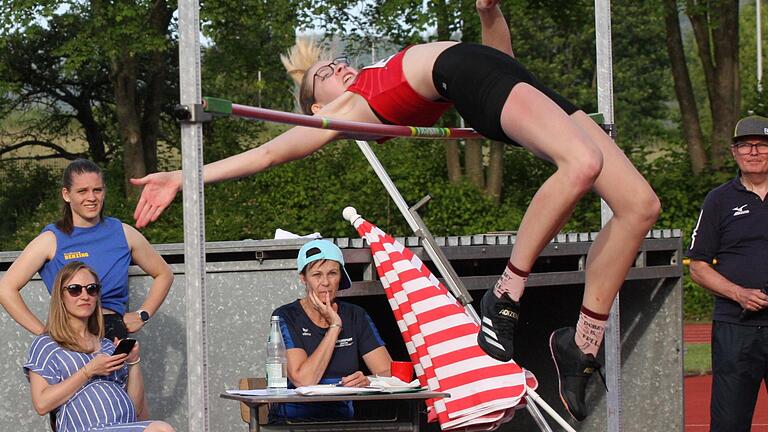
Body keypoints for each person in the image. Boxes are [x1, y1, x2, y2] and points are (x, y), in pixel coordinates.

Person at [129, 0, 659, 420]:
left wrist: (489, 15)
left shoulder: (370, 77)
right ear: (318, 107)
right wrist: (183, 175)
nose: (333, 67)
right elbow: (269, 153)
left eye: (332, 62)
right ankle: (505, 293)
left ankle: (581, 340)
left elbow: (506, 67)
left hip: (493, 69)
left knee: (639, 205)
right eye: (320, 78)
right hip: (468, 74)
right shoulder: (345, 108)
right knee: (582, 164)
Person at [0, 158, 174, 419]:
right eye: (82, 191)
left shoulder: (123, 232)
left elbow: (164, 273)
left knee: (134, 414)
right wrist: (45, 332)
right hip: (69, 336)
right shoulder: (51, 239)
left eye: (98, 190)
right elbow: (6, 289)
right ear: (66, 195)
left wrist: (143, 314)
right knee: (78, 414)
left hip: (112, 331)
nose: (91, 198)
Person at [24, 261, 175, 432]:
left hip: (122, 426)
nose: (84, 295)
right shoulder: (47, 344)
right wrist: (88, 371)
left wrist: (133, 362)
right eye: (75, 289)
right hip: (84, 428)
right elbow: (42, 404)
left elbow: (138, 412)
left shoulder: (108, 346)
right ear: (61, 296)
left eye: (91, 289)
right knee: (162, 429)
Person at [687, 115, 768, 432]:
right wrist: (739, 294)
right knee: (729, 423)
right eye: (746, 145)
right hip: (736, 328)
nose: (754, 152)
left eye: (761, 145)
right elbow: (698, 267)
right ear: (735, 152)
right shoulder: (719, 200)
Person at [269, 239, 392, 422]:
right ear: (303, 279)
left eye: (332, 273)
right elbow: (304, 380)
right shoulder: (286, 316)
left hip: (342, 421)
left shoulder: (355, 315)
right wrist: (334, 327)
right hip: (293, 422)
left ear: (341, 277)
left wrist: (369, 381)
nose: (325, 282)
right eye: (316, 274)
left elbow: (389, 371)